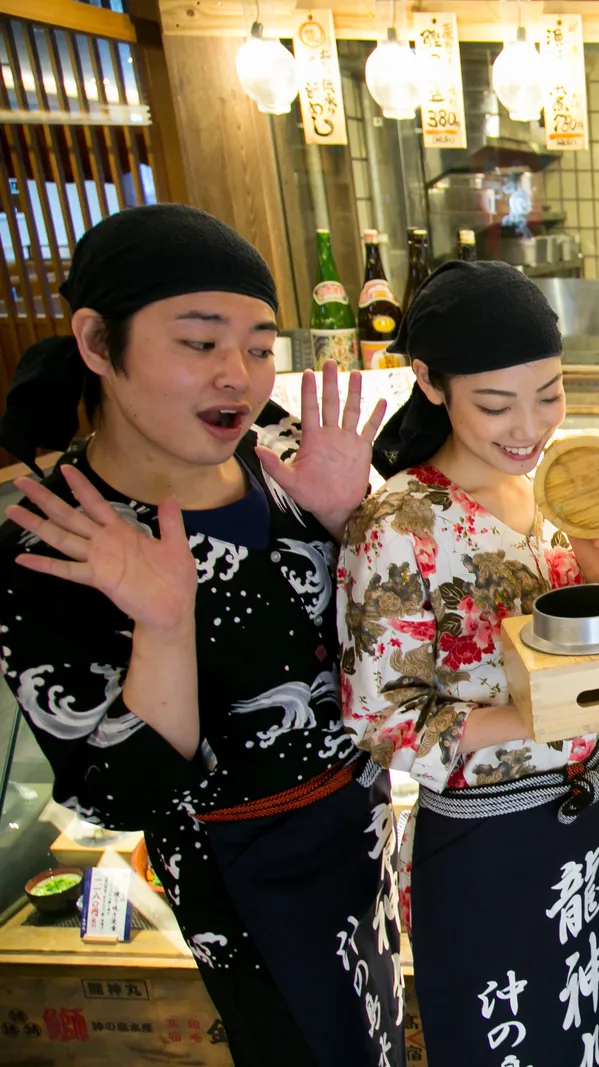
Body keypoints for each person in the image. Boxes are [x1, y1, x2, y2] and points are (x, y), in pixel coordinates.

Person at [0, 204, 402, 1066]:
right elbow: (123, 795)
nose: (238, 377)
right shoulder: (54, 540)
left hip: (362, 829)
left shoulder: (281, 449)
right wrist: (162, 622)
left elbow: (377, 639)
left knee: (377, 1034)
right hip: (242, 878)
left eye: (258, 348)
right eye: (199, 341)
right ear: (97, 342)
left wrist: (348, 522)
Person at [339, 260, 599, 1066]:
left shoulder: (552, 494)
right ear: (430, 383)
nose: (529, 426)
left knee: (589, 1030)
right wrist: (531, 717)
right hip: (484, 841)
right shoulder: (399, 522)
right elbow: (380, 717)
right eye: (497, 404)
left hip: (584, 820)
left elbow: (587, 657)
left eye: (550, 393)